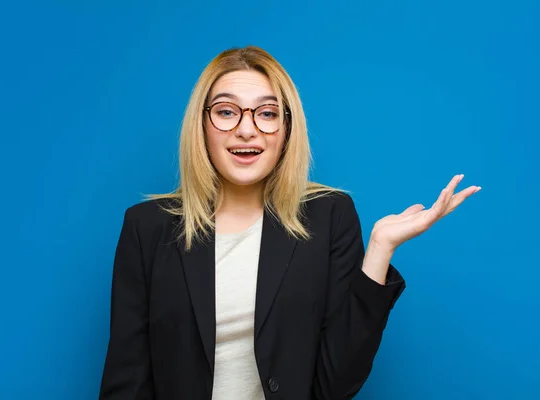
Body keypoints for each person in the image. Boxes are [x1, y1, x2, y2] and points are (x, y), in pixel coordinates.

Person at [98, 46, 481, 400]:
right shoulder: (147, 227)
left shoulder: (330, 215)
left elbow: (336, 384)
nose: (246, 129)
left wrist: (380, 249)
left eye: (266, 113)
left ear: (286, 129)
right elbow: (126, 380)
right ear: (202, 126)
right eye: (227, 111)